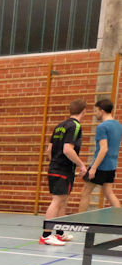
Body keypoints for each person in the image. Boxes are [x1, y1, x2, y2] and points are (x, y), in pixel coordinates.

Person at [40, 99, 87, 246]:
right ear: (84, 111)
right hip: (62, 169)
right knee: (57, 201)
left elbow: (49, 150)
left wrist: (54, 163)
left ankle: (59, 233)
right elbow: (67, 149)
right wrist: (81, 165)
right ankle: (46, 235)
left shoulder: (60, 126)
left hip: (57, 167)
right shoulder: (75, 126)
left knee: (63, 201)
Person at [78, 98, 122, 213]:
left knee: (85, 192)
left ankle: (79, 221)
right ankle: (119, 219)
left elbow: (104, 149)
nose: (95, 113)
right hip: (112, 166)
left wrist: (93, 168)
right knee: (109, 193)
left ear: (102, 111)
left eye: (96, 111)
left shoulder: (102, 127)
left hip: (101, 165)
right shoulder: (118, 125)